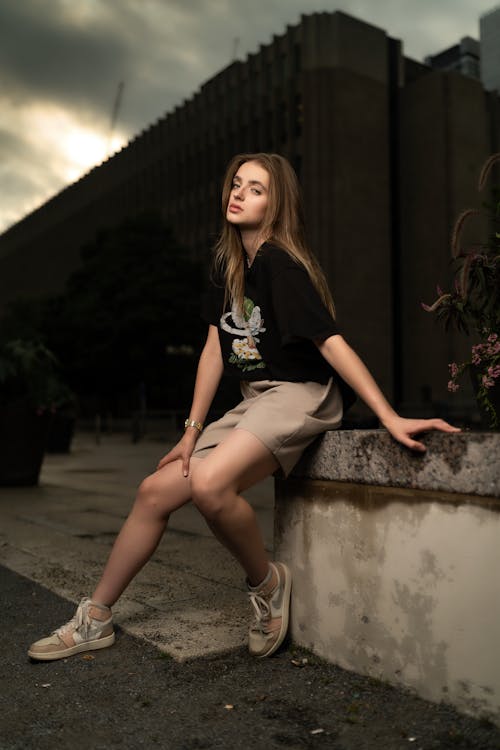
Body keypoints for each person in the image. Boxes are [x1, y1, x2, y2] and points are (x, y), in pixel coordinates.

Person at [28, 153, 460, 662]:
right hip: (254, 399)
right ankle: (95, 618)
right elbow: (214, 350)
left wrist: (388, 415)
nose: (238, 193)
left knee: (210, 485)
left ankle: (268, 582)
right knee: (153, 492)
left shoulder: (281, 263)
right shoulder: (228, 265)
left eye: (255, 189)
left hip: (301, 393)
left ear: (277, 205)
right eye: (237, 184)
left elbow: (330, 342)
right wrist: (192, 430)